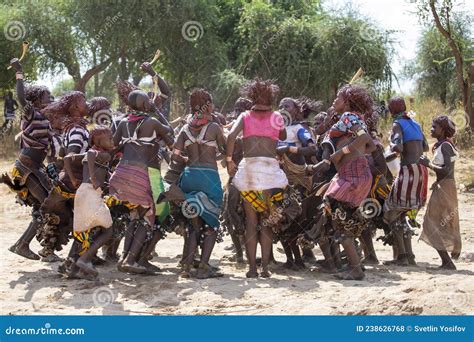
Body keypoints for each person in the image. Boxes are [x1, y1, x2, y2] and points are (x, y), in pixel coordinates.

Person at [226, 79, 288, 278]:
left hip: (249, 172)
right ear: (271, 98)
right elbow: (284, 135)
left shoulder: (244, 116)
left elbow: (230, 136)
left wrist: (229, 161)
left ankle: (252, 269)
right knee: (267, 221)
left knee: (251, 222)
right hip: (270, 173)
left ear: (251, 97)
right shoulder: (276, 117)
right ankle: (266, 268)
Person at [111, 89, 173, 274]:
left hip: (121, 173)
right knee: (148, 214)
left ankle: (124, 258)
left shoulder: (123, 123)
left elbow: (114, 145)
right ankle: (131, 259)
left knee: (135, 215)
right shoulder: (152, 122)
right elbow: (169, 130)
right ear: (146, 105)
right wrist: (157, 111)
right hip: (140, 174)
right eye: (148, 101)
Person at [169, 88, 226, 279]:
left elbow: (175, 156)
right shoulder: (214, 128)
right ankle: (203, 266)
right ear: (208, 106)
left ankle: (186, 267)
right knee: (211, 223)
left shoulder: (185, 130)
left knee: (193, 223)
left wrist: (189, 160)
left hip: (189, 176)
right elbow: (225, 151)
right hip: (209, 177)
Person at [322, 84, 376, 280]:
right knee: (345, 220)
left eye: (338, 98)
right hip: (358, 173)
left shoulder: (348, 117)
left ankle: (356, 269)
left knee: (339, 218)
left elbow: (365, 138)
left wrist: (341, 153)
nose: (335, 101)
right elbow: (370, 147)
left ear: (348, 102)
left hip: (351, 175)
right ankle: (355, 265)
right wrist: (349, 153)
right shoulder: (357, 118)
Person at [5, 58, 53, 261]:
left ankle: (26, 245)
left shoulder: (46, 117)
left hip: (36, 168)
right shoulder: (31, 112)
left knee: (44, 207)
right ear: (37, 101)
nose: (51, 100)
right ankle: (23, 244)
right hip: (26, 169)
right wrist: (19, 72)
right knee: (47, 206)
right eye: (47, 97)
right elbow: (21, 98)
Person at [383, 97, 429, 266]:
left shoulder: (397, 124)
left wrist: (391, 147)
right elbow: (425, 147)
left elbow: (398, 147)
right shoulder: (415, 124)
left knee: (392, 210)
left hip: (408, 170)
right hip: (421, 171)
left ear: (391, 111)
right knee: (406, 212)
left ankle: (402, 257)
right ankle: (409, 255)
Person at [72, 126, 115, 279]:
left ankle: (80, 268)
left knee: (89, 230)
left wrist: (73, 179)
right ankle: (84, 260)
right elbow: (91, 154)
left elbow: (66, 159)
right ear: (97, 141)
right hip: (91, 193)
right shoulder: (101, 154)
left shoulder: (96, 154)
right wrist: (94, 177)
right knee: (108, 230)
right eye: (109, 138)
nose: (112, 141)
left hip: (83, 192)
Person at [419, 115, 461, 270]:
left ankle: (447, 262)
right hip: (443, 186)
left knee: (430, 223)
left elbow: (447, 170)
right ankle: (448, 259)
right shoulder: (443, 145)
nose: (431, 129)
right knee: (439, 221)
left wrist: (427, 164)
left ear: (443, 129)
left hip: (446, 187)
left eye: (434, 127)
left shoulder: (445, 146)